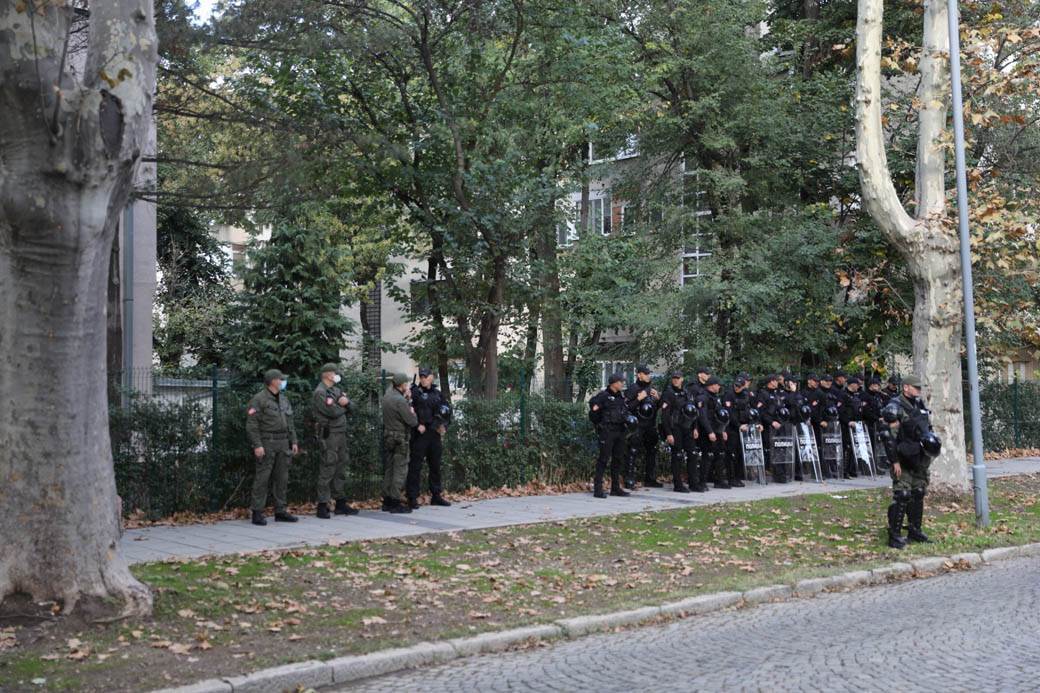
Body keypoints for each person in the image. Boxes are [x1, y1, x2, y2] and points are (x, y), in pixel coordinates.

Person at [883, 375, 940, 549]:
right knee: (902, 495)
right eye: (915, 387)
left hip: (919, 457)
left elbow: (926, 430)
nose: (918, 390)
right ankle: (895, 535)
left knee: (918, 492)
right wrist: (894, 462)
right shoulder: (895, 407)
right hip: (902, 457)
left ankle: (915, 530)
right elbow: (887, 437)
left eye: (919, 388)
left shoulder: (919, 405)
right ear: (905, 387)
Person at [245, 369, 299, 526]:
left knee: (282, 478)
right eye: (281, 379)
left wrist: (294, 441)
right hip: (267, 442)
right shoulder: (259, 399)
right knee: (263, 477)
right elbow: (252, 425)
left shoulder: (283, 399)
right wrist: (257, 445)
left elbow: (290, 422)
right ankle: (256, 512)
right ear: (273, 381)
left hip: (283, 442)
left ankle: (280, 511)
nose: (283, 382)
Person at [312, 363, 359, 519]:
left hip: (341, 434)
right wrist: (343, 406)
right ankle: (322, 505)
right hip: (329, 434)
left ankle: (340, 503)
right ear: (327, 374)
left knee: (341, 468)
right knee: (328, 467)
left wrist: (346, 404)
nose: (337, 375)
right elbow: (332, 412)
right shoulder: (320, 393)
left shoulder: (336, 390)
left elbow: (352, 406)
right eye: (335, 373)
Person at [407, 368, 452, 509]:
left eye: (425, 376)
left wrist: (444, 426)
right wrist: (416, 425)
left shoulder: (438, 394)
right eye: (421, 377)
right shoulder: (414, 392)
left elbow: (446, 411)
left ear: (432, 377)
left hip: (434, 433)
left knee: (435, 466)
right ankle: (412, 497)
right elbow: (408, 412)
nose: (423, 379)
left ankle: (436, 496)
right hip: (420, 434)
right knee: (415, 466)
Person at [589, 373, 637, 498]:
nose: (622, 384)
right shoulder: (603, 396)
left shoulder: (620, 397)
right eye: (620, 381)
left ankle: (615, 488)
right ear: (614, 383)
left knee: (618, 460)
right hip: (607, 432)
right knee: (603, 460)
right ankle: (598, 489)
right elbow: (594, 411)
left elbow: (624, 412)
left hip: (620, 432)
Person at [659, 371, 702, 492]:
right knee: (677, 455)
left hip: (688, 427)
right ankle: (678, 485)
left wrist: (695, 428)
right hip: (675, 427)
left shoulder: (687, 393)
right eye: (674, 378)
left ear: (682, 379)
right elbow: (665, 415)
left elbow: (693, 411)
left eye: (678, 378)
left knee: (692, 454)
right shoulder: (668, 393)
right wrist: (668, 433)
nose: (676, 380)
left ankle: (694, 483)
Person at [381, 373, 418, 514]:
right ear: (401, 385)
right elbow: (412, 421)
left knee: (389, 469)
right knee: (400, 470)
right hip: (400, 438)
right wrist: (410, 406)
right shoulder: (400, 401)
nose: (407, 386)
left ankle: (387, 501)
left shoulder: (387, 397)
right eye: (406, 384)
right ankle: (395, 502)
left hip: (388, 436)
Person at [624, 365, 662, 488]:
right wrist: (639, 399)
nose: (648, 376)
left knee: (652, 451)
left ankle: (650, 478)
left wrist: (658, 398)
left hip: (650, 425)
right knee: (633, 451)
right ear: (639, 375)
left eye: (648, 374)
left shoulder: (651, 389)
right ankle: (629, 479)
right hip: (638, 425)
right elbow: (627, 407)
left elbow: (656, 407)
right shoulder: (633, 388)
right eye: (646, 374)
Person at [695, 376, 730, 488]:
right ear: (712, 385)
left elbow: (720, 414)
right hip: (707, 431)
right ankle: (702, 482)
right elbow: (702, 416)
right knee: (707, 456)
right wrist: (710, 432)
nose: (719, 387)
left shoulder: (715, 397)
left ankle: (719, 481)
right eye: (718, 385)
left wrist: (723, 430)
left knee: (720, 454)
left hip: (718, 430)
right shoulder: (703, 397)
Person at [723, 376, 753, 487]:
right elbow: (729, 413)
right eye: (736, 385)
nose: (737, 388)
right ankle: (731, 478)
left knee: (740, 454)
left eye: (739, 386)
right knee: (731, 454)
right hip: (731, 427)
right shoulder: (729, 394)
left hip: (743, 426)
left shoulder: (745, 394)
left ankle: (738, 477)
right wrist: (739, 425)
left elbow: (747, 408)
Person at [755, 374, 783, 480]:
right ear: (771, 382)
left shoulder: (776, 394)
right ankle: (766, 470)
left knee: (777, 449)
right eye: (775, 381)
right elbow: (760, 412)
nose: (777, 382)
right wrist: (771, 422)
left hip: (777, 426)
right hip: (767, 427)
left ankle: (777, 472)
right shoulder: (763, 394)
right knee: (767, 449)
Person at [840, 376, 866, 477]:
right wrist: (848, 422)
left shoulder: (856, 396)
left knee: (854, 448)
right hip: (846, 426)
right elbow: (841, 411)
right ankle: (844, 471)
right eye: (857, 384)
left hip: (856, 425)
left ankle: (851, 470)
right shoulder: (843, 395)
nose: (858, 386)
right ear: (851, 384)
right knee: (846, 448)